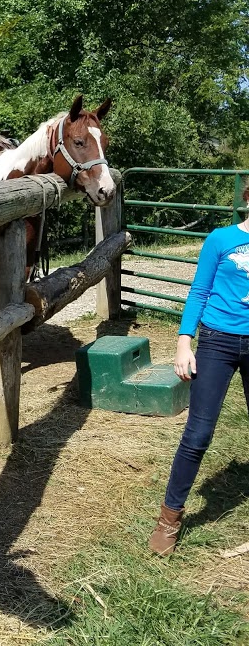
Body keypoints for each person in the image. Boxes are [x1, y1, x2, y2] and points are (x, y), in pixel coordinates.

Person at [151, 195, 249, 555]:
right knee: (198, 433)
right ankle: (169, 518)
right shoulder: (220, 239)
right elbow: (199, 291)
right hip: (217, 341)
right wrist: (183, 343)